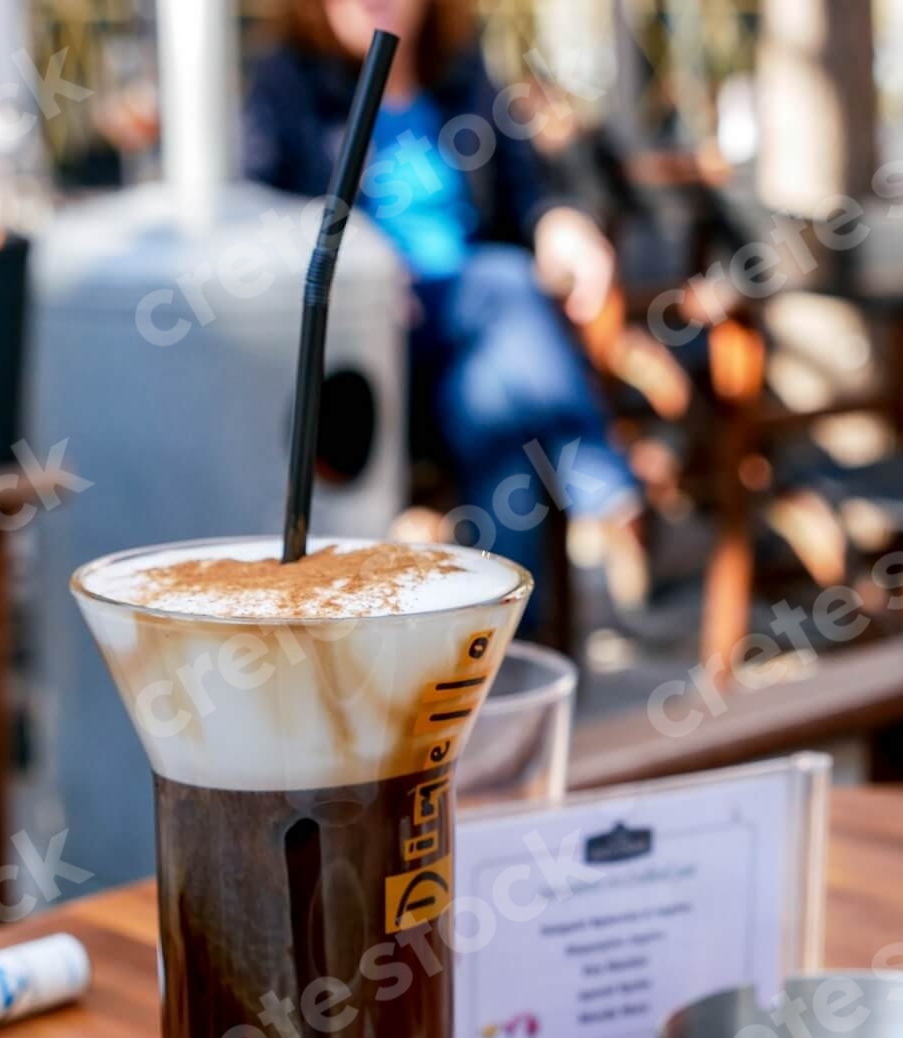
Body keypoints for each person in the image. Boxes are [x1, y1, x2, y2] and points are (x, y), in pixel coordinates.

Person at [244, 0, 642, 607]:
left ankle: (494, 650)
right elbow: (257, 222)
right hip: (369, 353)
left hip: (475, 348)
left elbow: (526, 195)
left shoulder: (463, 75)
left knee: (502, 432)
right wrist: (364, 268)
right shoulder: (287, 85)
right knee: (503, 284)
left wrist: (561, 223)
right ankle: (598, 481)